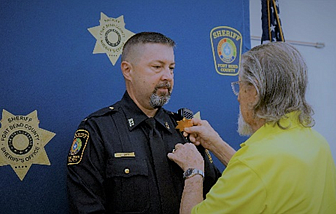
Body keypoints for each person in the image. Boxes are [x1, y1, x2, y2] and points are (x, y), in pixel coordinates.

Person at [168, 42, 336, 214]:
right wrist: (216, 144)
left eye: (239, 86)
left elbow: (255, 172)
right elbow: (263, 180)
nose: (238, 98)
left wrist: (194, 171)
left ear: (255, 91)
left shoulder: (255, 163)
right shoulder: (318, 143)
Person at [67, 32, 221, 214]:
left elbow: (217, 197)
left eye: (171, 68)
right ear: (127, 70)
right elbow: (87, 207)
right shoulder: (98, 130)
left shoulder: (186, 130)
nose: (167, 76)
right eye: (157, 67)